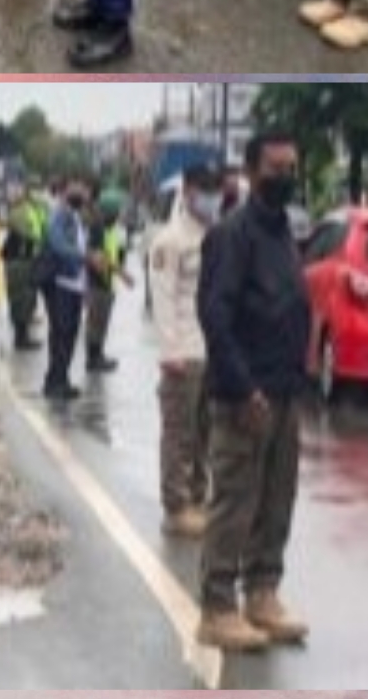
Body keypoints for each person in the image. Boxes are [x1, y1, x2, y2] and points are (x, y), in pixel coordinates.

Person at [197, 130, 311, 653]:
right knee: (234, 502)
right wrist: (244, 388)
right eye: (275, 167)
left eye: (291, 167)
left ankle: (262, 593)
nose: (285, 176)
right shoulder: (232, 234)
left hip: (285, 392)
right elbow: (215, 317)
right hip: (245, 395)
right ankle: (217, 607)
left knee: (276, 499)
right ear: (249, 171)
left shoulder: (285, 231)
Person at [153, 164, 222, 538]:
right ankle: (176, 506)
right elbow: (163, 299)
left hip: (211, 349)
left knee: (204, 433)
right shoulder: (170, 240)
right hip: (183, 351)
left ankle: (198, 497)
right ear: (190, 192)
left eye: (216, 192)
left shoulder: (213, 235)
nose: (213, 200)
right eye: (206, 191)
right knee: (179, 431)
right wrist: (170, 350)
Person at [40, 177, 97, 400]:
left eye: (84, 188)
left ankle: (61, 379)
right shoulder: (59, 214)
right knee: (61, 332)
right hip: (61, 282)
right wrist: (84, 256)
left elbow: (83, 247)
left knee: (70, 333)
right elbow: (58, 244)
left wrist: (85, 287)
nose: (83, 192)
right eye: (78, 187)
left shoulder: (77, 217)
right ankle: (54, 382)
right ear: (65, 190)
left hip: (75, 283)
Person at [85, 188, 133, 374]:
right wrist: (122, 274)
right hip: (98, 281)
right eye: (118, 209)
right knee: (95, 322)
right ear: (110, 210)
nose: (121, 213)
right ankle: (93, 358)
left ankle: (99, 354)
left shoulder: (111, 228)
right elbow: (98, 256)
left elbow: (116, 252)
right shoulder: (97, 228)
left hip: (106, 281)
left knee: (102, 322)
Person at [2, 183, 46, 351]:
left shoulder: (34, 210)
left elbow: (40, 230)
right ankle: (20, 338)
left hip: (28, 259)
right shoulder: (20, 211)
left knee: (28, 299)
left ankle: (23, 335)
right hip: (18, 260)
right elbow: (29, 233)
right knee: (21, 299)